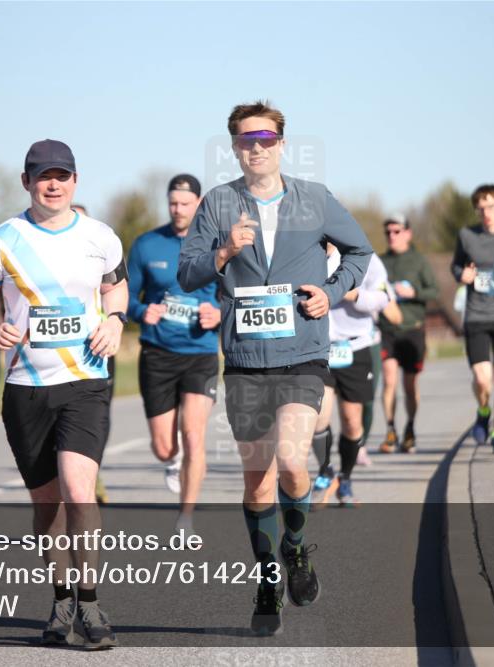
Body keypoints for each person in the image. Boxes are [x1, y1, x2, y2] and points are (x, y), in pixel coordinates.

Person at [177, 100, 372, 636]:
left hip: (302, 353)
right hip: (243, 360)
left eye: (265, 137)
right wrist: (221, 254)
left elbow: (360, 252)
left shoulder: (314, 198)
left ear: (282, 143)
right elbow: (188, 273)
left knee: (291, 460)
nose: (256, 146)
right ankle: (268, 578)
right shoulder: (218, 204)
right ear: (234, 146)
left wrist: (331, 294)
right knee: (259, 481)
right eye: (245, 139)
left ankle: (295, 549)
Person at [0, 139, 126, 649]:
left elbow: (115, 287)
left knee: (80, 492)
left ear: (76, 181)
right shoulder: (3, 239)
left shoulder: (100, 237)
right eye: (42, 176)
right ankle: (61, 600)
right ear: (26, 182)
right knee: (48, 505)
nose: (52, 184)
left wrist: (117, 319)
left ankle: (92, 602)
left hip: (85, 382)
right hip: (26, 389)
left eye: (61, 175)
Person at [127, 173, 220, 534]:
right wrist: (140, 313)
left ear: (198, 204)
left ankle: (186, 517)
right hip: (158, 353)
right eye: (172, 203)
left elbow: (234, 295)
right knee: (165, 446)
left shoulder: (217, 246)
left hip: (200, 352)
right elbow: (125, 296)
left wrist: (220, 313)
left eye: (185, 203)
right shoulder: (146, 245)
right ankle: (172, 459)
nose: (178, 209)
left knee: (193, 434)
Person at [312, 242, 393, 507]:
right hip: (318, 349)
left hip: (355, 347)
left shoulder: (363, 256)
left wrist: (353, 295)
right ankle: (326, 470)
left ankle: (345, 477)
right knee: (317, 417)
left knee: (352, 421)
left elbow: (383, 297)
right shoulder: (303, 254)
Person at [451, 184, 494, 454]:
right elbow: (456, 265)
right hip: (477, 316)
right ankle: (483, 410)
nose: (486, 213)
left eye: (490, 207)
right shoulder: (467, 235)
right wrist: (461, 275)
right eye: (480, 209)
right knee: (483, 379)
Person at [376, 214, 438, 453]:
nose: (392, 236)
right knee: (389, 379)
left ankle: (410, 428)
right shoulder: (380, 261)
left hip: (413, 330)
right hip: (388, 330)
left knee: (409, 385)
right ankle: (390, 430)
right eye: (388, 232)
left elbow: (433, 291)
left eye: (397, 231)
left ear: (408, 233)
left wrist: (414, 293)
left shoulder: (419, 261)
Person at [75, 203, 110, 506]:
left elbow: (120, 291)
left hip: (94, 356)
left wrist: (115, 321)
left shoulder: (99, 254)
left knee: (93, 425)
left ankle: (91, 474)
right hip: (43, 369)